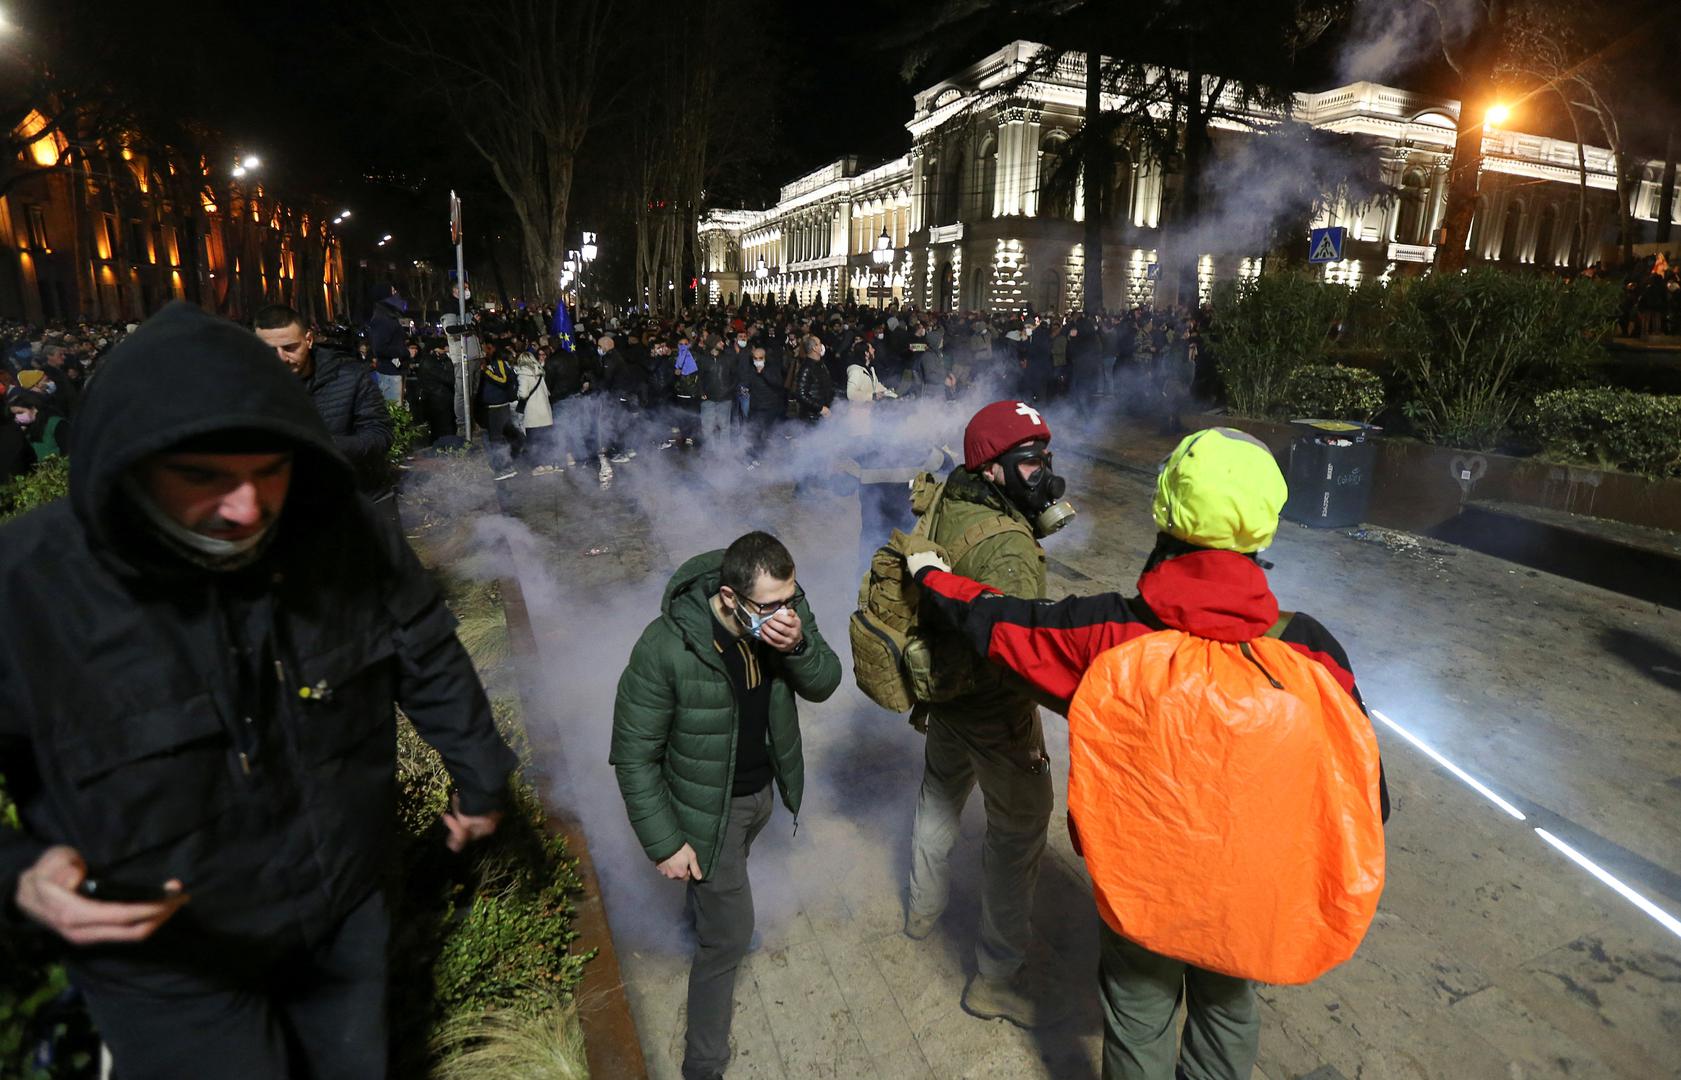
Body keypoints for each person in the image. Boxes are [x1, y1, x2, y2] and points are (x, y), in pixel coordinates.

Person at [0, 301, 516, 1080]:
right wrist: (21, 877)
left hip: (343, 904)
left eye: (266, 472)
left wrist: (480, 776)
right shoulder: (25, 586)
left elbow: (424, 649)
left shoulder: (339, 531)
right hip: (167, 958)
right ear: (126, 465)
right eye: (202, 478)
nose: (245, 508)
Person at [905, 427, 1389, 1080]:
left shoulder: (1110, 634)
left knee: (1138, 1009)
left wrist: (933, 577)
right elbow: (1365, 797)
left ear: (1165, 511)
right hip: (1250, 892)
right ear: (1263, 527)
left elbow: (1003, 624)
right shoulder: (1310, 650)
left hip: (1143, 891)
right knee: (1228, 1007)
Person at [611, 532, 841, 1080]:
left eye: (792, 598)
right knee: (729, 940)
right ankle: (704, 1064)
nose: (786, 612)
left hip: (762, 794)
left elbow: (826, 683)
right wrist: (666, 843)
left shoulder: (784, 611)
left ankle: (706, 912)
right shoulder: (666, 646)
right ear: (731, 596)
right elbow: (633, 754)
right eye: (773, 606)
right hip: (707, 812)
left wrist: (797, 646)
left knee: (718, 896)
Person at [904, 399, 1073, 1029]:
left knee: (939, 793)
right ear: (995, 470)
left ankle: (921, 912)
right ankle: (996, 978)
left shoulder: (953, 491)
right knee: (1019, 829)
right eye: (1029, 462)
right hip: (996, 709)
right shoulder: (1007, 548)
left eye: (1045, 459)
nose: (1044, 475)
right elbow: (1023, 650)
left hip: (944, 691)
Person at [253, 305, 393, 503]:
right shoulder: (248, 385)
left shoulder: (350, 377)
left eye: (290, 348)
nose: (281, 358)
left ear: (308, 340)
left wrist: (327, 445)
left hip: (350, 499)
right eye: (270, 350)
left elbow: (380, 436)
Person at [477, 341, 522, 481]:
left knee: (497, 439)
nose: (485, 351)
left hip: (498, 407)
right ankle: (505, 466)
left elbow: (502, 380)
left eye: (487, 348)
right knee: (498, 438)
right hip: (495, 408)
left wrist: (486, 371)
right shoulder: (497, 364)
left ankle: (505, 468)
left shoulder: (499, 363)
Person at [366, 289, 409, 403]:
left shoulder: (388, 316)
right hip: (389, 373)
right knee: (394, 410)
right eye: (393, 291)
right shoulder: (382, 318)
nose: (397, 294)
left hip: (394, 371)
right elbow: (379, 348)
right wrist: (405, 352)